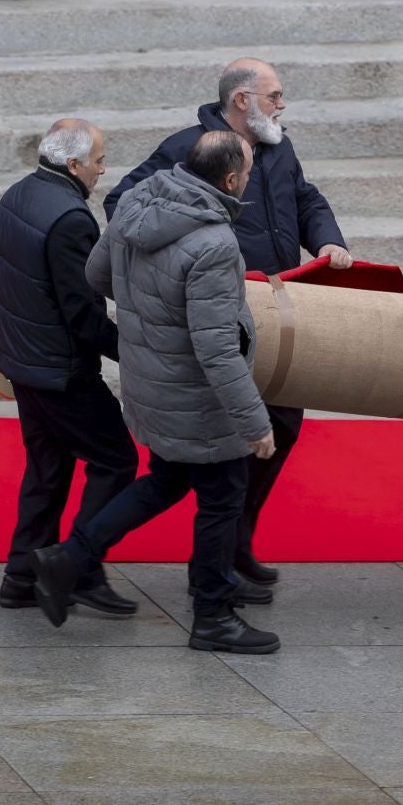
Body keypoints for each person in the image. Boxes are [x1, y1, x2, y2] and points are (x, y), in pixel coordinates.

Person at [30, 130, 282, 654]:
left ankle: (70, 558)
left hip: (151, 381)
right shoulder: (214, 243)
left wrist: (152, 312)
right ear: (231, 179)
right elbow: (216, 349)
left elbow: (97, 275)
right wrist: (254, 422)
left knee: (165, 480)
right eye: (249, 173)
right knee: (223, 496)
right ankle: (212, 613)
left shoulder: (139, 202)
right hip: (199, 398)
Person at [104, 58, 349, 587]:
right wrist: (194, 253)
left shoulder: (278, 146)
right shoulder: (184, 148)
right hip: (222, 316)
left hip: (282, 315)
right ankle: (216, 568)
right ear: (242, 101)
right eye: (275, 96)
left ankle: (237, 544)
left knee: (281, 429)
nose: (282, 105)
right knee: (233, 450)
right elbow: (123, 204)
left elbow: (305, 198)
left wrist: (328, 239)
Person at [0, 118, 140, 617]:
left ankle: (20, 577)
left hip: (25, 362)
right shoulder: (72, 218)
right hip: (60, 370)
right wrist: (136, 353)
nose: (103, 170)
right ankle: (77, 567)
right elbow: (83, 314)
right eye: (98, 161)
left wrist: (6, 342)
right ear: (72, 164)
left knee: (48, 468)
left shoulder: (18, 193)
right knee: (116, 460)